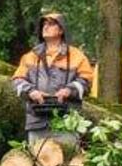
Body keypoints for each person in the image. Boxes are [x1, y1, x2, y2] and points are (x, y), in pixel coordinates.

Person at [9, 10, 97, 147]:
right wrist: (31, 91)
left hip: (66, 122)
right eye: (44, 24)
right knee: (38, 165)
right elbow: (17, 80)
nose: (45, 26)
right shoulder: (30, 56)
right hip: (37, 122)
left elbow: (86, 81)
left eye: (51, 24)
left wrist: (69, 90)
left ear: (61, 30)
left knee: (68, 165)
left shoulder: (77, 56)